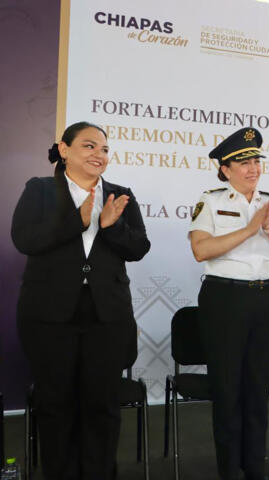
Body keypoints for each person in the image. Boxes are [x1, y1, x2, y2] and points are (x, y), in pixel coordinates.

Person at [11, 121, 150, 479]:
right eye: (89, 146)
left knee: (102, 405)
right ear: (64, 149)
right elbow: (25, 239)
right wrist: (78, 220)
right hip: (49, 316)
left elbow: (138, 248)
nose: (99, 155)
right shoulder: (40, 190)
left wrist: (110, 226)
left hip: (107, 317)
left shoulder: (121, 194)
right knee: (55, 404)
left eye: (104, 149)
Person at [189, 127, 269, 480]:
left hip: (266, 296)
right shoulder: (211, 200)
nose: (252, 168)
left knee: (257, 387)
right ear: (225, 169)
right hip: (225, 298)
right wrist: (249, 229)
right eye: (243, 162)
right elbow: (201, 250)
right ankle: (228, 471)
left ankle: (254, 469)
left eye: (255, 161)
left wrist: (268, 228)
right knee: (227, 389)